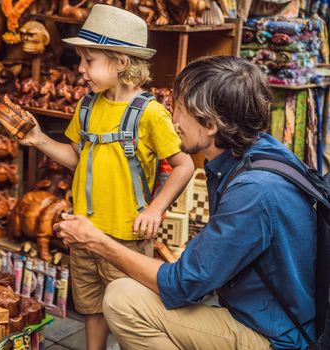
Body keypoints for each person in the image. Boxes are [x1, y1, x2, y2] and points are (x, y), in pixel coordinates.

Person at [55, 56, 317, 350]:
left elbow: (180, 286)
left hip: (273, 338)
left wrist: (96, 241)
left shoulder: (252, 191)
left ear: (210, 124)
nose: (172, 118)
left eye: (179, 108)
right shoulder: (255, 153)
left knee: (122, 301)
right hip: (263, 314)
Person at [17, 5, 194, 349]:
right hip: (84, 231)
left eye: (89, 60)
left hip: (127, 237)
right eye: (81, 60)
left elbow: (184, 164)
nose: (81, 69)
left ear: (121, 62)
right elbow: (76, 158)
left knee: (128, 308)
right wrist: (38, 139)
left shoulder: (151, 114)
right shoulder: (87, 106)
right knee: (91, 306)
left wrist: (155, 209)